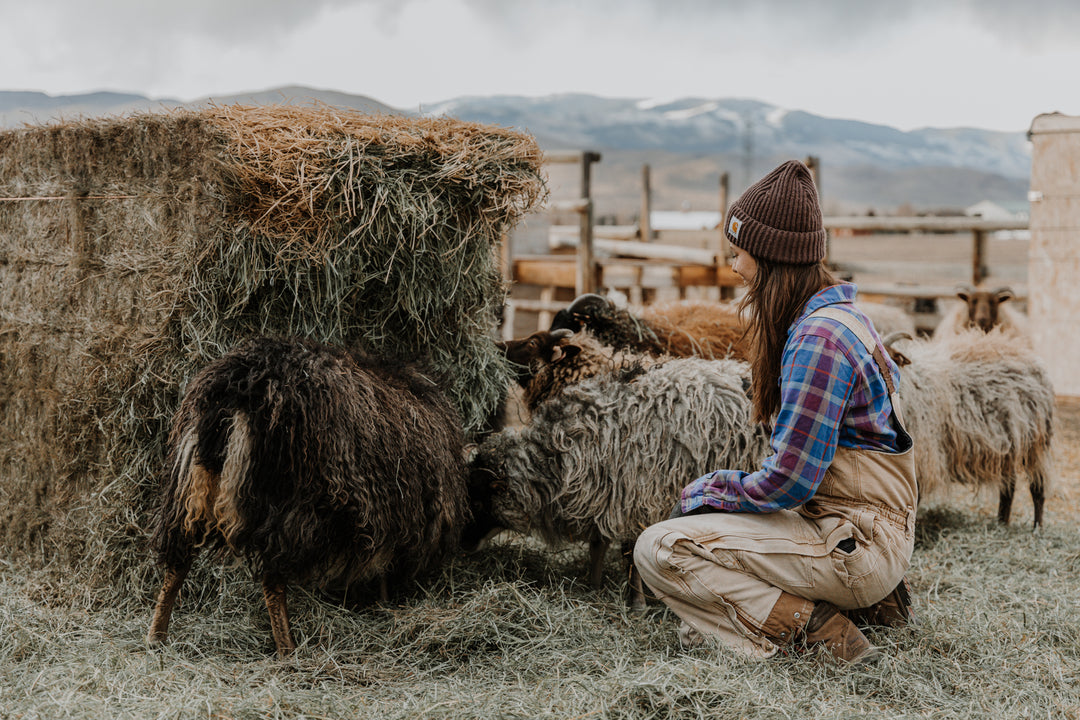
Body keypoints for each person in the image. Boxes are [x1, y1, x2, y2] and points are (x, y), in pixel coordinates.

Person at [633, 160, 917, 664]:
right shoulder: (841, 318)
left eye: (738, 253)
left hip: (854, 539)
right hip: (855, 527)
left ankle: (818, 632)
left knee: (662, 549)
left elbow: (790, 482)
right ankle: (862, 603)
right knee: (710, 537)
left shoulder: (817, 340)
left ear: (771, 257)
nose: (735, 267)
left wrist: (707, 491)